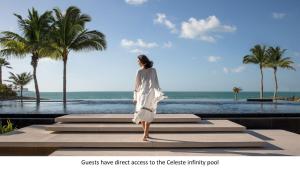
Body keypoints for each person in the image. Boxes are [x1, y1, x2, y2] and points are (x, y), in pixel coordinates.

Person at [132, 54, 166, 141]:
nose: (137, 62)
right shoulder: (139, 71)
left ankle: (145, 133)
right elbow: (136, 85)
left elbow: (156, 82)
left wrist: (158, 93)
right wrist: (135, 97)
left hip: (150, 94)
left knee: (148, 113)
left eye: (138, 61)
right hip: (141, 95)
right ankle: (146, 133)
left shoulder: (153, 70)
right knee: (141, 114)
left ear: (143, 60)